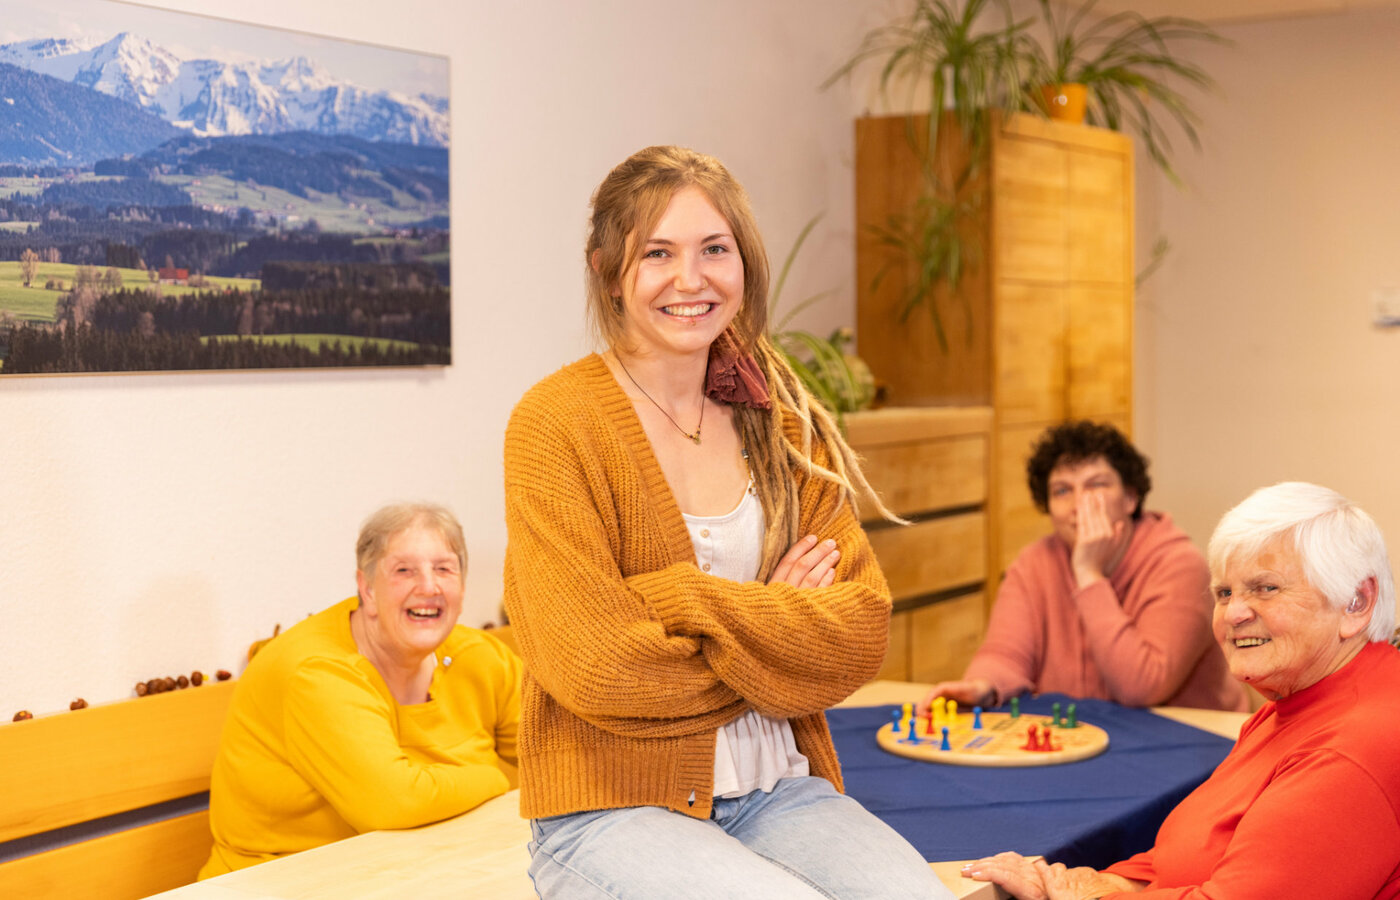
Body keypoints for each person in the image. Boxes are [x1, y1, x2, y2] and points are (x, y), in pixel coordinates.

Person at [502, 146, 950, 899]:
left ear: (744, 263)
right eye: (658, 253)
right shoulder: (555, 424)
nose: (692, 278)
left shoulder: (780, 414)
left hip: (779, 791)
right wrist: (775, 641)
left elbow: (861, 630)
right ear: (609, 270)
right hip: (609, 810)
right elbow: (597, 667)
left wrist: (677, 600)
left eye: (715, 249)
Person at [960, 481, 1400, 899]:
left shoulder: (1349, 751)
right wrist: (1103, 883)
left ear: (1356, 602)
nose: (1234, 613)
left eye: (1266, 588)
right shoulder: (1299, 699)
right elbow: (1190, 854)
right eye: (1224, 592)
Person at [198, 503, 520, 878]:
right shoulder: (316, 672)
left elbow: (561, 749)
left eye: (444, 569)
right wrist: (494, 776)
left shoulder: (479, 656)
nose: (429, 586)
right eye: (404, 570)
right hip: (278, 883)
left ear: (462, 586)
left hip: (411, 873)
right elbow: (395, 802)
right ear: (367, 588)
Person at [924, 421, 1247, 712]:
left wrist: (1089, 574)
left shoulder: (1180, 565)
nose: (1079, 503)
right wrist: (982, 686)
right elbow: (1006, 655)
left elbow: (1144, 686)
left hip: (1192, 746)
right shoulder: (1033, 564)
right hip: (1080, 739)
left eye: (1096, 485)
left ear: (1130, 498)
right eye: (1062, 491)